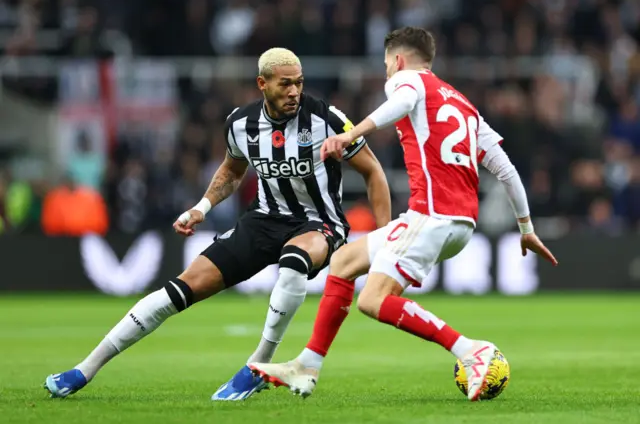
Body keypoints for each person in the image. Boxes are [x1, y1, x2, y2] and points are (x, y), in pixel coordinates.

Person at [43, 48, 391, 401]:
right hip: (263, 220)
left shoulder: (326, 119)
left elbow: (373, 171)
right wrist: (202, 207)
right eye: (285, 84)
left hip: (319, 223)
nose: (294, 92)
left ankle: (257, 366)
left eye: (299, 83)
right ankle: (85, 369)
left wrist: (384, 241)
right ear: (262, 83)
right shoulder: (240, 123)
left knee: (293, 263)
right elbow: (232, 169)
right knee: (178, 291)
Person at [248, 27, 558, 402]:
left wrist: (351, 134)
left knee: (372, 300)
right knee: (344, 260)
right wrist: (525, 227)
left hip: (432, 214)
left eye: (385, 66)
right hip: (459, 222)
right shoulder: (463, 105)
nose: (386, 75)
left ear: (397, 60)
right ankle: (308, 364)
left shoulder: (408, 81)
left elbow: (402, 98)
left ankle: (469, 350)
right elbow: (505, 169)